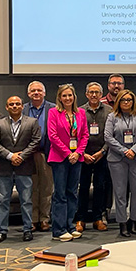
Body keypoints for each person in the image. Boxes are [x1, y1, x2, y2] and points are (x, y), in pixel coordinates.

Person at [0, 95, 41, 243]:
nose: (14, 106)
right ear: (7, 107)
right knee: (2, 201)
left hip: (24, 167)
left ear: (22, 106)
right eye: (11, 104)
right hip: (4, 167)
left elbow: (36, 141)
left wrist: (21, 156)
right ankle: (2, 231)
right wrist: (10, 156)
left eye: (17, 104)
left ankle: (27, 229)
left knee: (26, 201)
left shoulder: (32, 122)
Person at [46, 83, 89, 242]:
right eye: (64, 95)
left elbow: (84, 135)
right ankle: (59, 229)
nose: (67, 98)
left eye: (70, 95)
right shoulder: (53, 112)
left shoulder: (81, 113)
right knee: (60, 194)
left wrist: (77, 153)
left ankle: (70, 226)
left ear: (74, 97)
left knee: (72, 192)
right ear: (59, 98)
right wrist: (68, 153)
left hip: (76, 158)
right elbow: (52, 136)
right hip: (60, 158)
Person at [105, 89, 136, 237]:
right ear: (118, 102)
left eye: (129, 100)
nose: (126, 102)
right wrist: (124, 151)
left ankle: (133, 221)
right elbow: (108, 137)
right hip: (117, 159)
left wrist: (134, 150)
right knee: (120, 192)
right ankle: (122, 223)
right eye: (123, 100)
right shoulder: (112, 117)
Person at [76, 82, 111, 233]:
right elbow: (75, 134)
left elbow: (111, 135)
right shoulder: (79, 111)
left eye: (97, 92)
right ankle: (81, 219)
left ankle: (98, 218)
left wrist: (102, 152)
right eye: (91, 92)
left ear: (101, 94)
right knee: (83, 187)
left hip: (102, 156)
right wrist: (83, 153)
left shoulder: (109, 111)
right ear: (86, 94)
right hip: (84, 156)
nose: (94, 95)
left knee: (100, 187)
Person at [25, 81, 55, 232]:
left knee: (46, 188)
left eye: (39, 90)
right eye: (33, 91)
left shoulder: (53, 109)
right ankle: (32, 219)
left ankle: (44, 219)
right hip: (28, 155)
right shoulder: (23, 109)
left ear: (44, 93)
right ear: (28, 94)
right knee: (31, 188)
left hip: (47, 153)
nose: (36, 93)